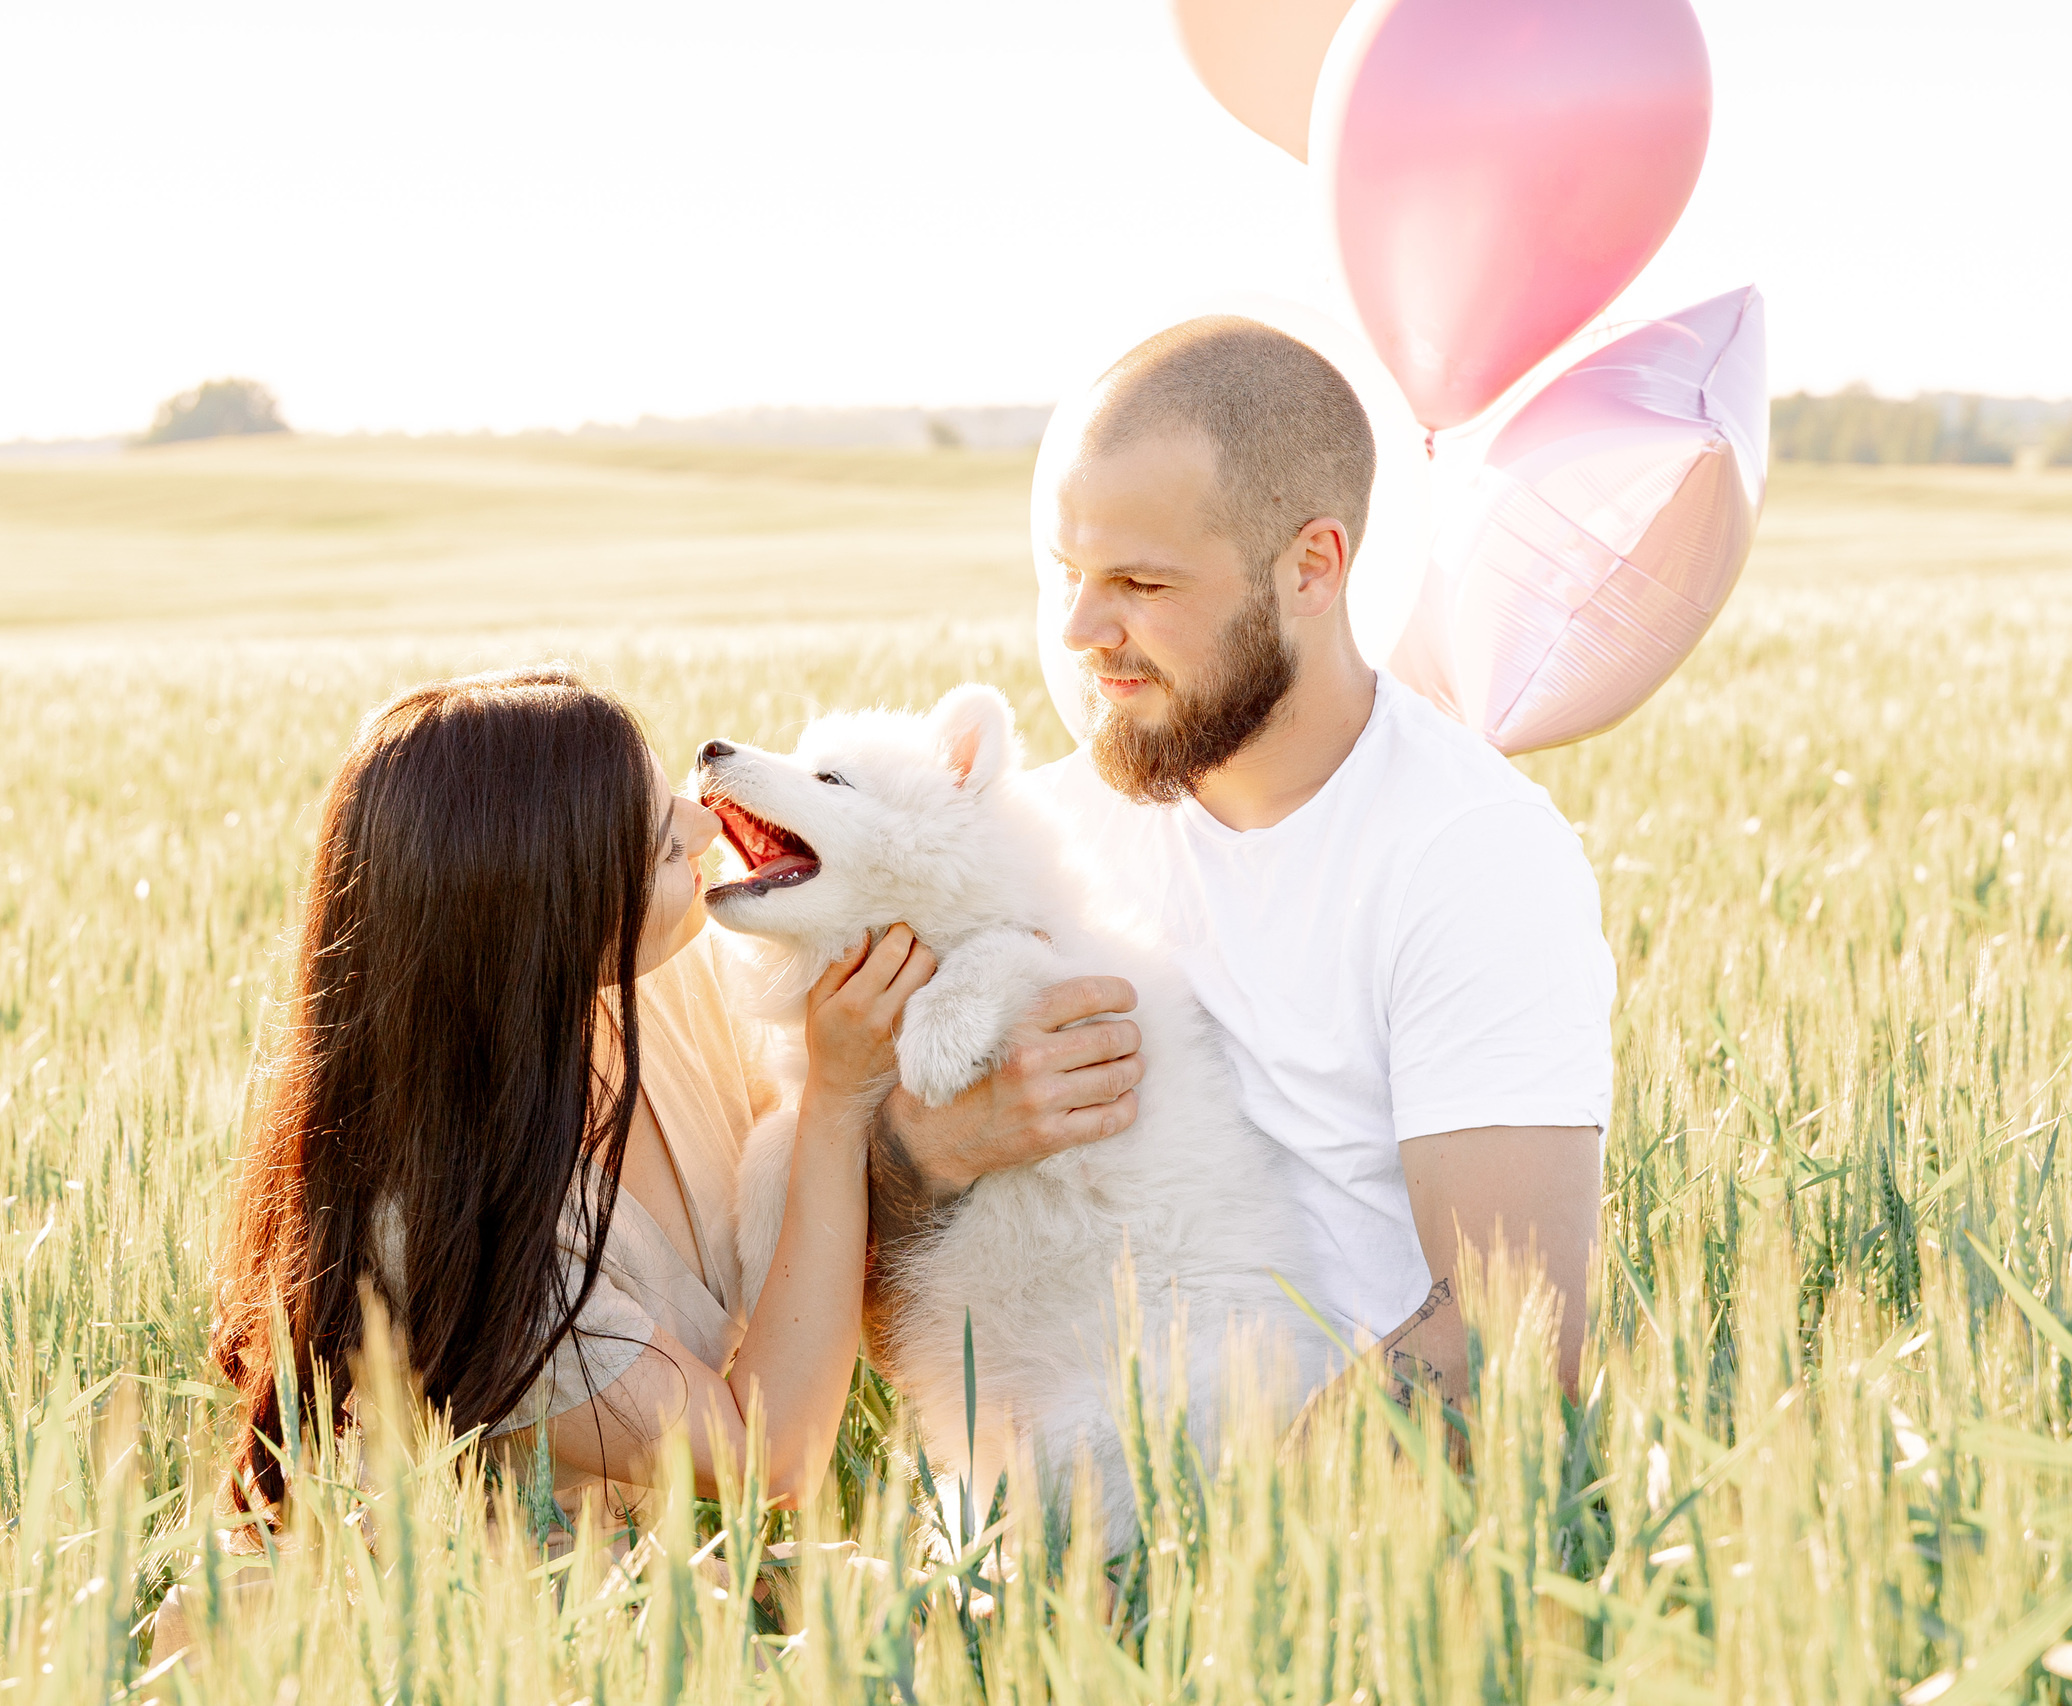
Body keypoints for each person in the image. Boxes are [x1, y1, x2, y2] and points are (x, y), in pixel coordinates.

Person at [871, 318, 1614, 1403]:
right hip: (1024, 1531)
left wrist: (1214, 1547)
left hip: (1332, 1533)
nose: (1080, 626)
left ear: (1311, 566)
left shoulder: (1471, 857)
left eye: (1142, 582)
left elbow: (1507, 1325)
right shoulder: (1031, 837)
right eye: (1065, 571)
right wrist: (925, 1149)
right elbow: (845, 1266)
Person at [207, 666, 936, 1527]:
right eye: (665, 844)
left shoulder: (660, 991)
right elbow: (767, 1460)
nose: (707, 825)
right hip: (524, 1636)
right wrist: (838, 1102)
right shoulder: (443, 1224)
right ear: (548, 918)